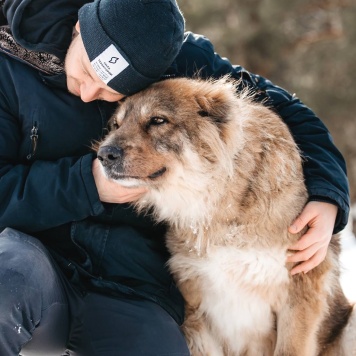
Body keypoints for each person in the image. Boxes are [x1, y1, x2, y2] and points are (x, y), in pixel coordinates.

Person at [0, 0, 349, 355]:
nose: (89, 93)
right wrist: (85, 184)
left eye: (109, 89)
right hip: (33, 259)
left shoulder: (175, 56)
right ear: (77, 29)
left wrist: (328, 194)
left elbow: (289, 110)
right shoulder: (8, 66)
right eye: (87, 71)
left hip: (131, 281)